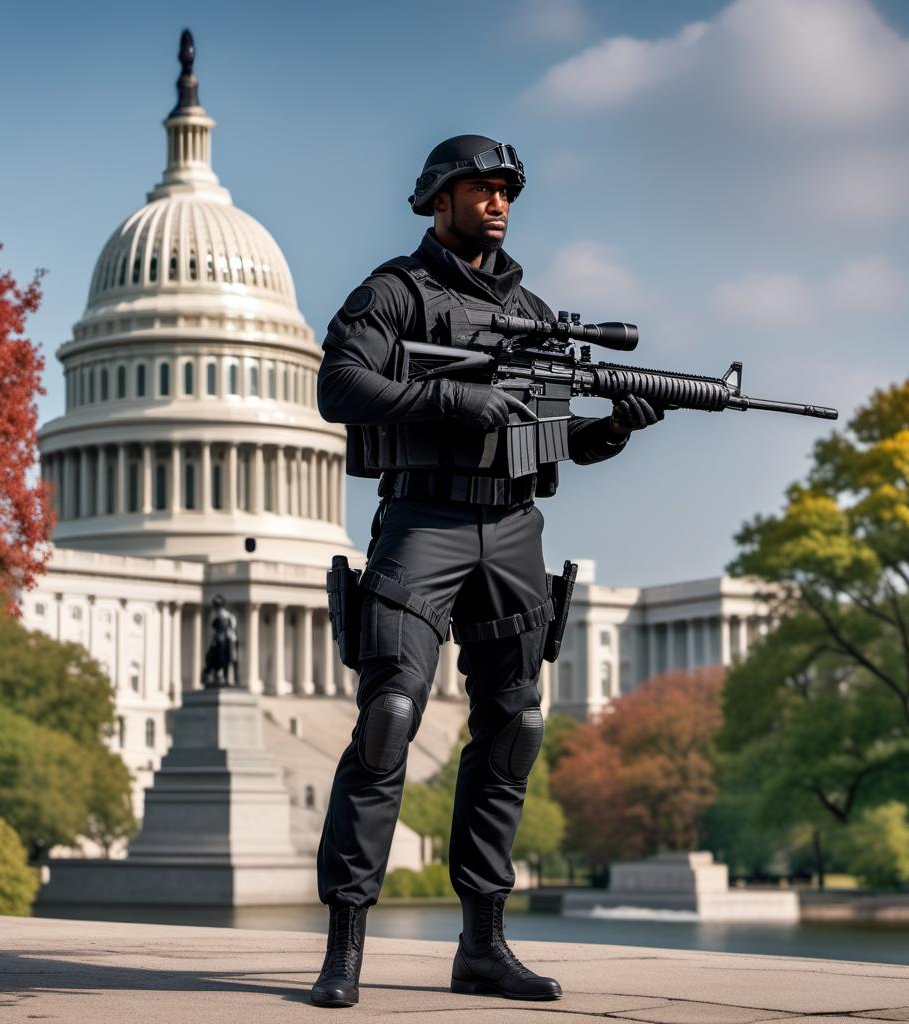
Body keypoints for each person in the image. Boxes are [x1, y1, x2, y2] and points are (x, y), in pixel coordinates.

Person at [311, 135, 665, 1008]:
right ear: (440, 198)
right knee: (391, 715)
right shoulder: (392, 291)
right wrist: (448, 398)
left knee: (516, 728)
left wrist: (611, 430)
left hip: (513, 529)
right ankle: (344, 949)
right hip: (422, 521)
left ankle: (483, 947)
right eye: (481, 188)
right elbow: (339, 386)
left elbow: (552, 441)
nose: (498, 201)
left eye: (507, 188)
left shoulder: (540, 309)